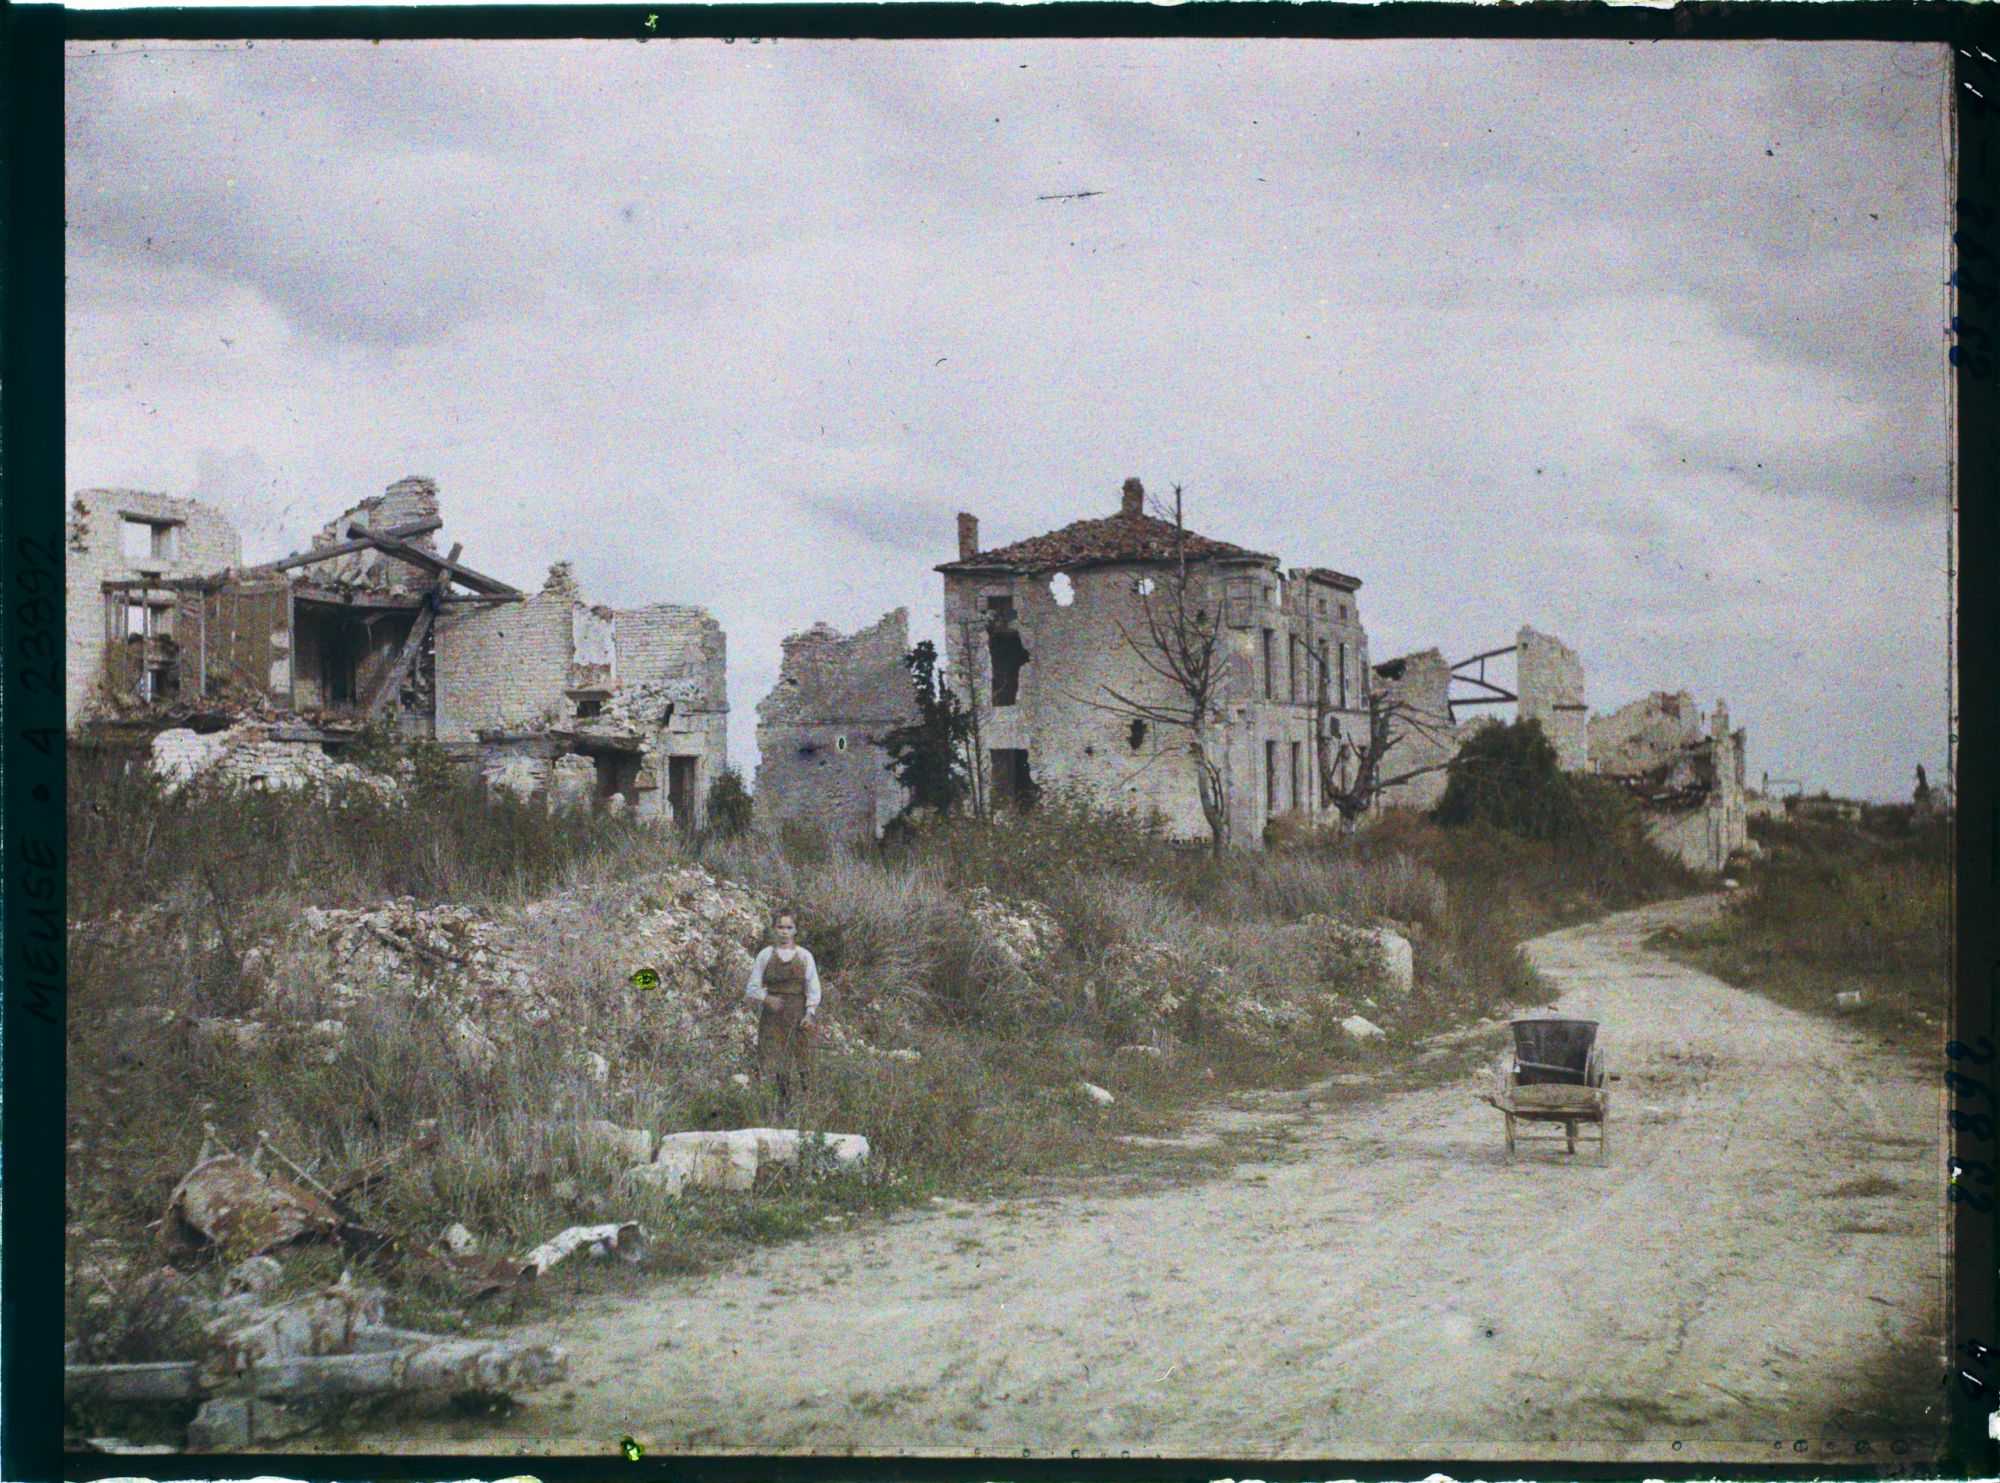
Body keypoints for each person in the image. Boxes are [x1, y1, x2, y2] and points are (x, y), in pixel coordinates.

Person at [744, 910, 821, 1116]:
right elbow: (752, 987)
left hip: (797, 1015)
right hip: (772, 1017)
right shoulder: (765, 955)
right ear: (774, 929)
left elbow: (813, 987)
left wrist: (809, 1013)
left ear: (795, 930)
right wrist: (767, 998)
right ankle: (779, 1109)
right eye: (780, 927)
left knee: (802, 1059)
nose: (784, 932)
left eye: (789, 927)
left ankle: (808, 1109)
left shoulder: (804, 956)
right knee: (775, 1061)